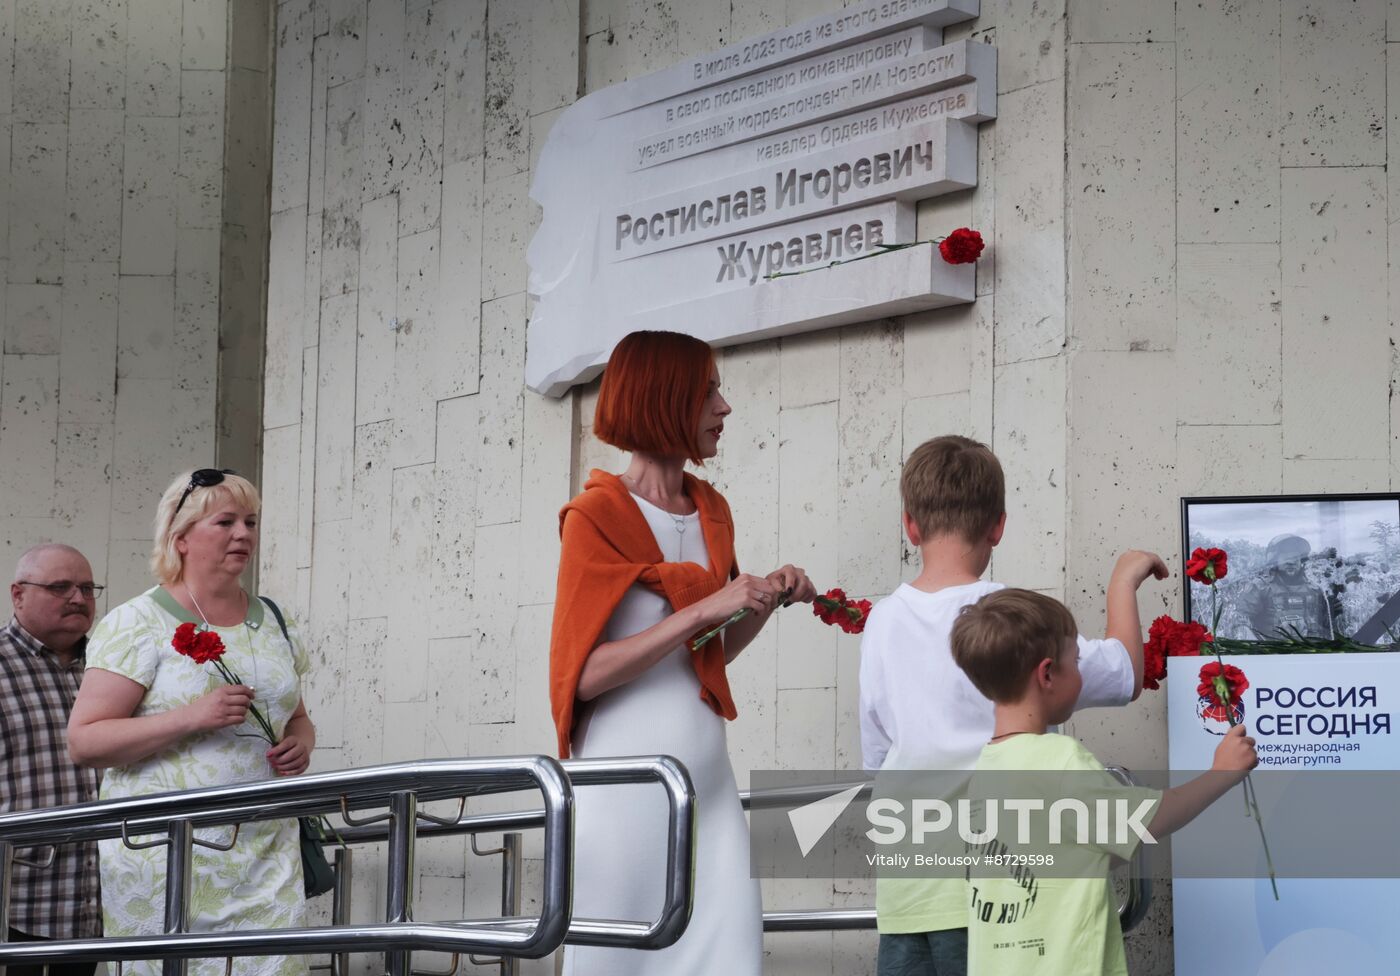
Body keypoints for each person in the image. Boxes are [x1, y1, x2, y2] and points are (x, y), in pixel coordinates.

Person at [550, 330, 816, 975]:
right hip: (627, 788)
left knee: (730, 956)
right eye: (708, 391)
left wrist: (766, 598)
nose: (724, 407)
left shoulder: (712, 509)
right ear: (665, 398)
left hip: (709, 783)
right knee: (620, 961)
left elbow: (710, 652)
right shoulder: (594, 515)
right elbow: (582, 677)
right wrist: (704, 608)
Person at [858, 435, 1167, 976]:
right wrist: (1123, 580)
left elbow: (877, 758)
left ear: (910, 525)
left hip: (907, 890)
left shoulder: (881, 621)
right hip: (994, 892)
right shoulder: (1008, 618)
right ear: (998, 526)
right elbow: (1124, 673)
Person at [68, 470, 314, 976]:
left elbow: (299, 718)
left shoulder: (275, 619)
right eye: (225, 521)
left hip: (266, 850)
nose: (243, 534)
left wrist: (300, 744)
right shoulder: (137, 622)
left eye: (250, 521)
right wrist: (189, 719)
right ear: (180, 538)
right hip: (166, 855)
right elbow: (85, 740)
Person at [950, 589, 1257, 976]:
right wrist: (1221, 775)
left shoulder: (985, 770)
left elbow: (1059, 857)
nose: (1080, 672)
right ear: (1047, 674)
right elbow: (1148, 820)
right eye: (1075, 661)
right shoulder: (1059, 761)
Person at [1, 544, 103, 976]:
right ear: (18, 594)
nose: (78, 598)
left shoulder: (109, 668)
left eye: (86, 588)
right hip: (19, 902)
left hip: (100, 899)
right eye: (60, 587)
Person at [1239, 533, 1334, 639]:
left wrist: (1332, 615)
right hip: (1272, 653)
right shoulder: (1259, 588)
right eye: (1285, 556)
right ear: (1274, 560)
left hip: (1310, 652)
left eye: (1296, 557)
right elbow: (1240, 623)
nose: (1291, 562)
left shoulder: (1315, 590)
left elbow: (1326, 629)